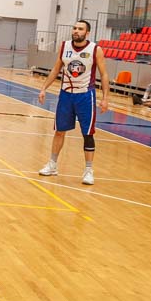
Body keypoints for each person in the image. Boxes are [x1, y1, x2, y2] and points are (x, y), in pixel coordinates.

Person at [36, 20, 110, 186]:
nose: (76, 31)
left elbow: (104, 74)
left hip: (85, 96)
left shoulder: (95, 49)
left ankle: (88, 170)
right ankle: (52, 164)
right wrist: (44, 88)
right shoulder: (64, 46)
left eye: (80, 29)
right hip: (66, 95)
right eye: (75, 28)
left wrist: (105, 98)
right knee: (59, 131)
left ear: (87, 33)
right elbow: (56, 69)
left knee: (88, 134)